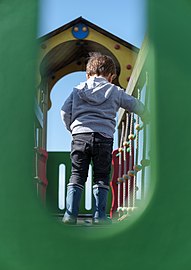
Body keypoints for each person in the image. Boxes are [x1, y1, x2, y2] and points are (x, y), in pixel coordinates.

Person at [60, 52, 149, 225]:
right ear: (111, 76)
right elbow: (132, 103)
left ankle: (70, 215)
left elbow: (64, 111)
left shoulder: (77, 90)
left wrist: (73, 128)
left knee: (77, 174)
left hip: (80, 137)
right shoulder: (114, 90)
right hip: (103, 138)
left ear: (87, 74)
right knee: (101, 176)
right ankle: (99, 216)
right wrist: (145, 113)